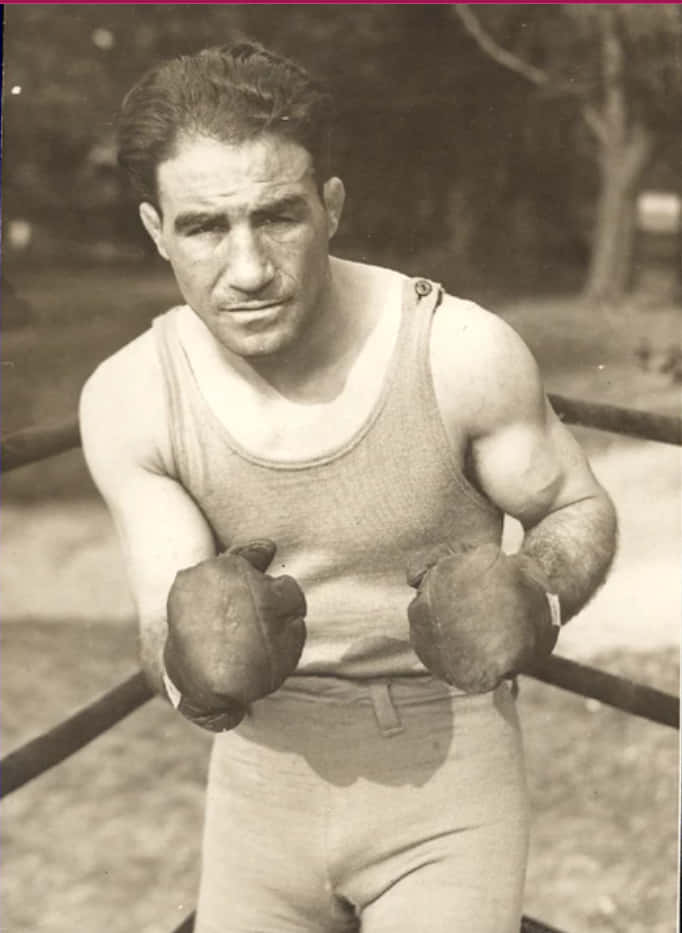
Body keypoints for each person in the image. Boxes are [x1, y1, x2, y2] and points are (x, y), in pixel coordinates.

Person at [79, 41, 617, 933]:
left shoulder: (457, 351)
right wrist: (191, 668)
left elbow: (574, 504)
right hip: (261, 783)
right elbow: (158, 615)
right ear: (155, 229)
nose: (248, 269)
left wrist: (539, 591)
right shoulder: (133, 395)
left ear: (330, 206)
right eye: (205, 227)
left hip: (453, 778)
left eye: (278, 217)